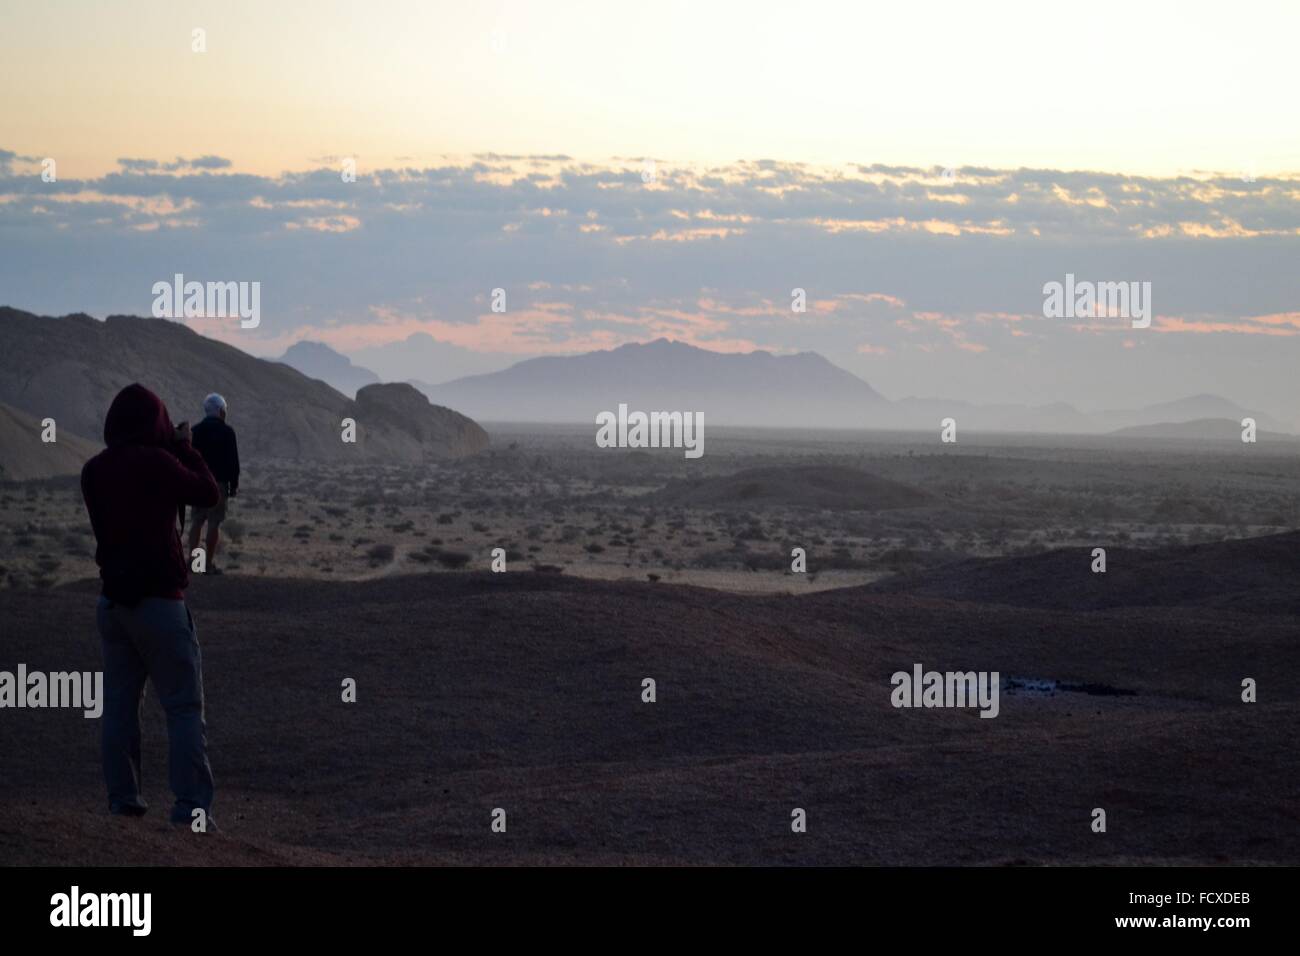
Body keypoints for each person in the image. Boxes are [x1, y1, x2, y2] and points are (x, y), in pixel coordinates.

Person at [80, 383, 221, 829]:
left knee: (120, 705)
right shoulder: (159, 462)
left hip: (113, 602)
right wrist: (184, 448)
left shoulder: (94, 470)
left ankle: (123, 800)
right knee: (182, 708)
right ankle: (190, 810)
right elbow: (207, 492)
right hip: (160, 602)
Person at [188, 393, 240, 575]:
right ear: (220, 411)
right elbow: (233, 462)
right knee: (213, 523)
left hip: (198, 482)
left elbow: (189, 459)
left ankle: (194, 564)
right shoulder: (227, 432)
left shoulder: (195, 431)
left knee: (197, 522)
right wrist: (233, 485)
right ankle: (207, 565)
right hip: (217, 484)